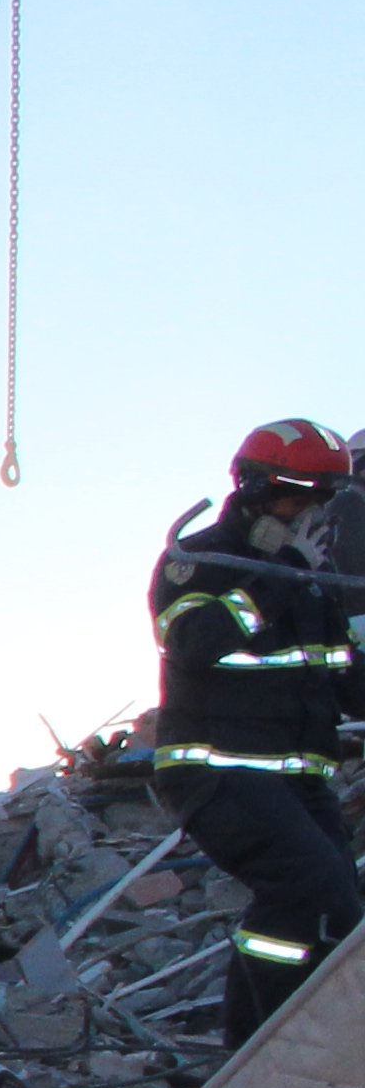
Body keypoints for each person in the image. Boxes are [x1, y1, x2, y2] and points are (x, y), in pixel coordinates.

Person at [149, 421, 365, 1044]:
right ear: (254, 487)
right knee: (306, 889)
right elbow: (192, 644)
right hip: (219, 774)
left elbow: (346, 685)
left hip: (299, 784)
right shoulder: (198, 562)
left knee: (341, 914)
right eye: (300, 499)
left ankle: (286, 1059)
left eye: (324, 502)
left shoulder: (315, 582)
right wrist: (282, 575)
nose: (309, 516)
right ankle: (255, 1051)